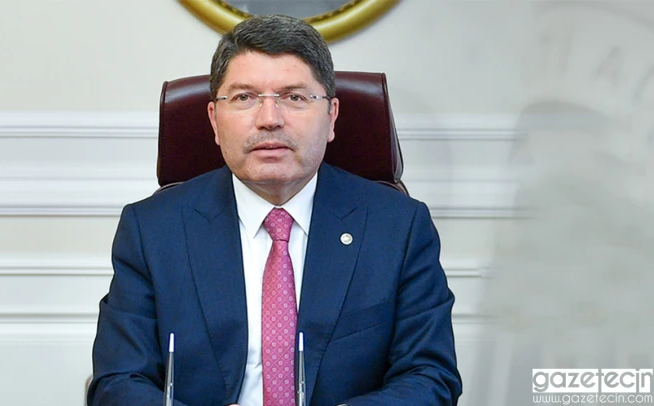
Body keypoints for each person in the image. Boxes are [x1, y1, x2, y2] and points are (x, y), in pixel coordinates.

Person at [88, 14, 461, 406]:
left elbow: (430, 376)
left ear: (331, 116)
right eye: (244, 98)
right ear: (214, 120)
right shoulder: (151, 230)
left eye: (294, 97)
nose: (269, 119)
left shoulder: (399, 227)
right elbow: (118, 382)